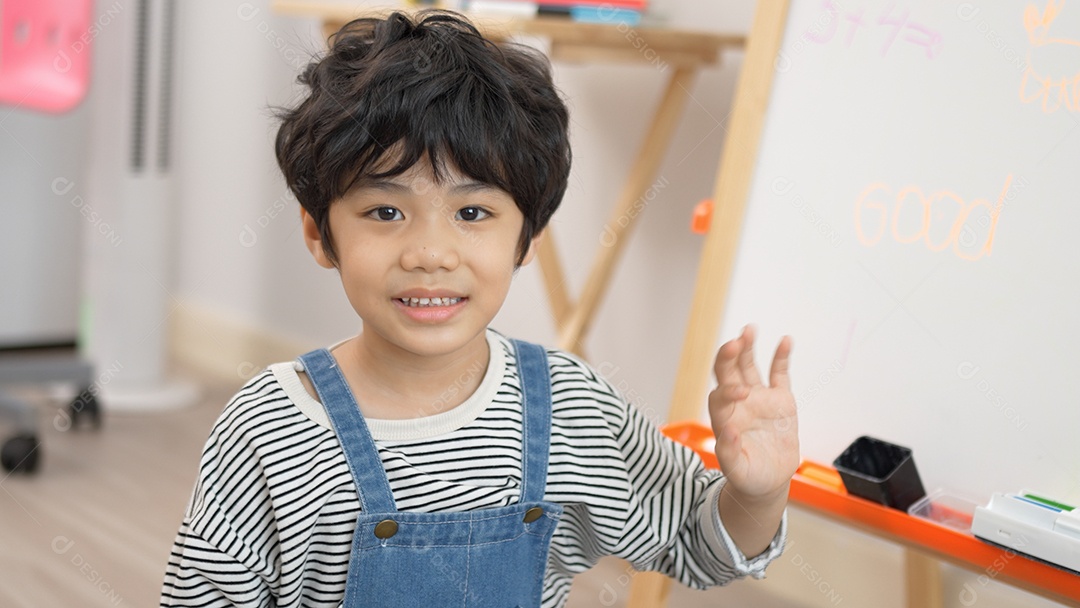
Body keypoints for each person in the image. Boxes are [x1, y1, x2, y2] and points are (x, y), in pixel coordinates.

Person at [161, 10, 798, 608]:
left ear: (529, 237)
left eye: (473, 213)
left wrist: (757, 492)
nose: (431, 254)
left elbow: (701, 546)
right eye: (386, 212)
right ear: (318, 233)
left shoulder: (569, 405)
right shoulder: (270, 426)